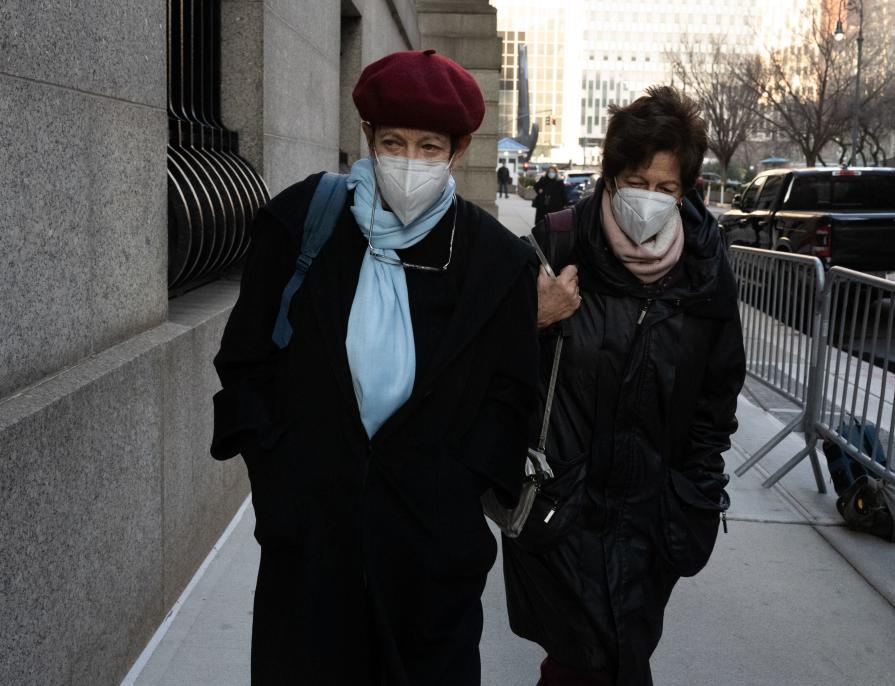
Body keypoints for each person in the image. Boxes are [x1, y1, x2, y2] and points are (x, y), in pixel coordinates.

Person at [211, 49, 539, 685]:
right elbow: (246, 361)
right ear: (366, 136)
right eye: (393, 142)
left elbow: (510, 399)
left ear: (459, 147)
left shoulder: (497, 264)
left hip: (430, 570)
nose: (409, 162)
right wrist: (280, 488)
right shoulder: (301, 222)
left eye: (428, 145)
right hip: (310, 553)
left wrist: (451, 498)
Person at [503, 85, 746, 686]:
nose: (650, 199)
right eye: (637, 181)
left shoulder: (705, 270)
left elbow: (716, 398)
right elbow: (493, 372)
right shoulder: (556, 248)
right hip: (564, 509)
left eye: (666, 188)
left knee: (623, 651)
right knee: (582, 661)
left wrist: (695, 492)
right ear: (610, 178)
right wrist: (531, 318)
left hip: (652, 516)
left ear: (686, 191)